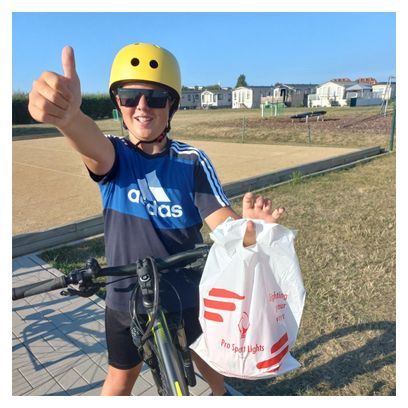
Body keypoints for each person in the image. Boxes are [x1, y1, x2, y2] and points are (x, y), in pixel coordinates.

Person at [28, 43, 285, 396]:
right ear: (118, 103)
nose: (142, 108)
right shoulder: (115, 156)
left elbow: (223, 223)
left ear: (172, 105)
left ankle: (222, 395)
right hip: (125, 295)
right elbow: (91, 144)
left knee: (206, 357)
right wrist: (69, 119)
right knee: (120, 378)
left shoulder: (190, 160)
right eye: (130, 97)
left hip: (184, 289)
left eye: (156, 98)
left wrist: (249, 231)